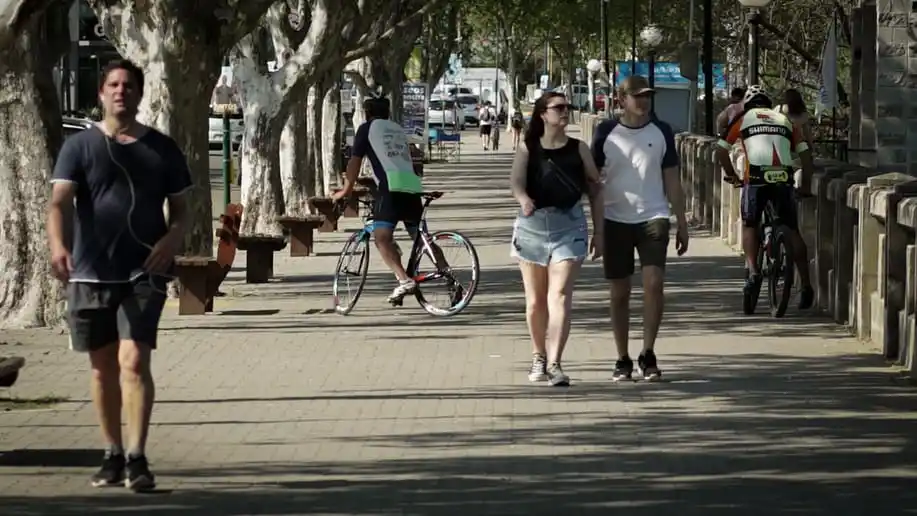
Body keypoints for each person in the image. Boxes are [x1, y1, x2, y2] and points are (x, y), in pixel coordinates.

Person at [46, 59, 192, 491]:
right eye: (113, 84)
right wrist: (58, 245)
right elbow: (59, 203)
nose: (120, 91)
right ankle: (111, 453)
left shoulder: (162, 149)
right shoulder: (79, 147)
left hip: (144, 272)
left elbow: (183, 213)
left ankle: (137, 457)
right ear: (101, 94)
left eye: (129, 85)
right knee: (101, 369)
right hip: (90, 274)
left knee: (134, 360)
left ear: (140, 93)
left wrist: (171, 240)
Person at [590, 75, 688, 382]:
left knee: (654, 284)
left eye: (647, 96)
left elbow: (672, 180)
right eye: (637, 96)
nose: (644, 101)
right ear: (621, 100)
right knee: (619, 292)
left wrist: (681, 222)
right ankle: (622, 357)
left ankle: (648, 353)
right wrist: (597, 228)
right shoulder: (606, 131)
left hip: (653, 217)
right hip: (615, 219)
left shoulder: (661, 132)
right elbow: (592, 180)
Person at [510, 92, 604, 387]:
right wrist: (523, 198)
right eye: (558, 108)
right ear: (542, 114)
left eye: (567, 107)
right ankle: (538, 355)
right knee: (536, 301)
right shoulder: (529, 148)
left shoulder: (579, 149)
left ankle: (555, 363)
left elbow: (595, 188)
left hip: (570, 225)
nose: (565, 112)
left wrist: (600, 232)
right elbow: (515, 181)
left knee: (560, 294)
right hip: (533, 227)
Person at [715, 85, 815, 310]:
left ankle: (753, 271)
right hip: (783, 178)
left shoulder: (743, 119)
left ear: (748, 105)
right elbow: (806, 156)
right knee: (791, 228)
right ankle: (807, 285)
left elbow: (720, 150)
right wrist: (806, 186)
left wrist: (732, 176)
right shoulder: (784, 120)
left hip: (756, 178)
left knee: (750, 224)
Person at [333, 97, 424, 303]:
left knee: (381, 238)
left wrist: (346, 190)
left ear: (367, 113)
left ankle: (404, 281)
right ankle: (447, 275)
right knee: (419, 238)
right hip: (412, 185)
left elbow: (354, 163)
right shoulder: (396, 128)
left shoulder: (366, 129)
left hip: (391, 187)